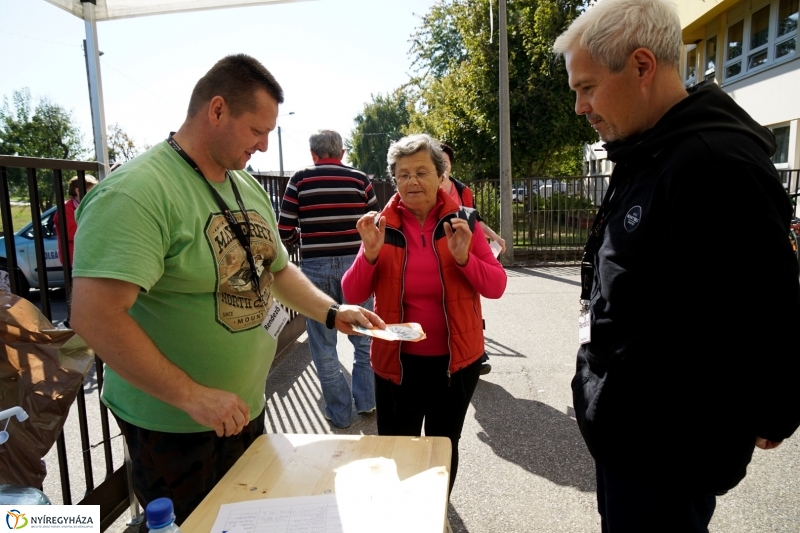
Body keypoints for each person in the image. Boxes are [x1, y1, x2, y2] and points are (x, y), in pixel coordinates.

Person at [69, 54, 384, 525]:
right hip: (175, 423)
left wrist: (332, 312)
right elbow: (95, 316)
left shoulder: (245, 185)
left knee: (244, 519)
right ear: (216, 110)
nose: (264, 145)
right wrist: (192, 395)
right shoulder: (137, 192)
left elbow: (278, 270)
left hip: (240, 410)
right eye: (257, 130)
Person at [552, 0, 800, 531]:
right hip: (628, 433)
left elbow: (767, 301)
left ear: (642, 66)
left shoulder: (714, 163)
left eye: (587, 87)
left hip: (665, 451)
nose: (579, 106)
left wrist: (774, 408)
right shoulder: (647, 148)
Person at [342, 134, 507, 492]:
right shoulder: (382, 226)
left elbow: (496, 286)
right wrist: (369, 255)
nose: (412, 181)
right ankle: (402, 514)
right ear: (394, 180)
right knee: (396, 449)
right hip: (396, 363)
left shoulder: (463, 222)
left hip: (456, 363)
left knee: (442, 447)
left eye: (421, 172)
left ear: (440, 175)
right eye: (403, 174)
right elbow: (352, 294)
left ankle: (436, 511)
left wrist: (464, 259)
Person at [277, 129, 378, 428]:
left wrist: (301, 236)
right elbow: (375, 224)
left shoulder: (300, 179)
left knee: (323, 345)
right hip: (356, 266)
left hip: (315, 267)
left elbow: (284, 229)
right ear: (342, 153)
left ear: (313, 153)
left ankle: (339, 413)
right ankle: (367, 401)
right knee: (364, 337)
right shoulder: (360, 179)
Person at [438, 143, 503, 376]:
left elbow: (475, 219)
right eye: (438, 162)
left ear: (451, 164)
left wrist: (494, 236)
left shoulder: (462, 190)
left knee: (468, 301)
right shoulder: (426, 190)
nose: (443, 166)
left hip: (463, 251)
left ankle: (476, 354)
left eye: (446, 162)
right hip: (438, 252)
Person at [54, 174, 97, 267]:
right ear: (78, 191)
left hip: (90, 257)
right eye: (92, 190)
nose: (95, 194)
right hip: (75, 259)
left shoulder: (89, 206)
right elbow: (71, 233)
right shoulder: (65, 209)